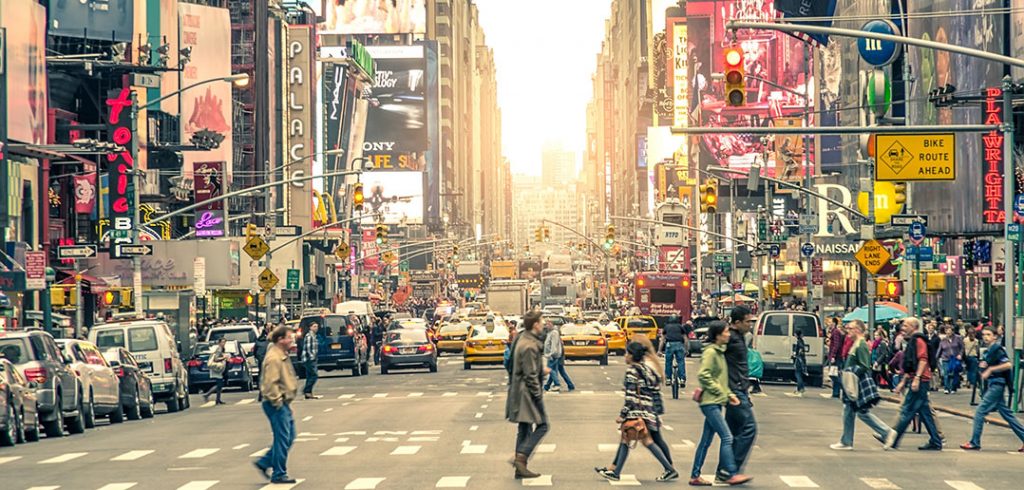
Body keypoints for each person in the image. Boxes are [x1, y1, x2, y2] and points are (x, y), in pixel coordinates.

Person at [595, 336, 678, 483]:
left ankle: (669, 469)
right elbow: (654, 386)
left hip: (638, 412)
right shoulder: (647, 369)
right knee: (630, 439)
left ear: (632, 356)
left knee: (643, 441)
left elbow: (631, 397)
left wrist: (623, 414)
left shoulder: (632, 371)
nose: (625, 357)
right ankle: (615, 471)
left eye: (627, 354)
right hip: (649, 411)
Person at [690, 321, 752, 486]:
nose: (728, 334)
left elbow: (720, 380)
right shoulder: (711, 352)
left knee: (706, 441)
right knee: (727, 437)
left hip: (716, 401)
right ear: (718, 335)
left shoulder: (719, 352)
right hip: (710, 402)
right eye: (725, 332)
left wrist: (729, 395)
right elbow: (704, 375)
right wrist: (722, 393)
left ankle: (695, 475)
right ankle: (731, 473)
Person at [829, 320, 896, 451]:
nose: (848, 330)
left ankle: (884, 432)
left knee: (856, 411)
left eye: (851, 328)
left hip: (856, 383)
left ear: (858, 329)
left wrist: (851, 373)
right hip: (853, 382)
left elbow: (865, 365)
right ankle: (848, 440)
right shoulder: (857, 344)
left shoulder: (861, 345)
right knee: (854, 411)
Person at [960, 326, 1024, 451]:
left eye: (989, 334)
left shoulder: (997, 349)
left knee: (980, 411)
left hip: (996, 384)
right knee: (1007, 415)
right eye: (984, 334)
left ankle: (974, 442)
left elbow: (1007, 364)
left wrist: (990, 369)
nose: (985, 337)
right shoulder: (988, 351)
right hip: (994, 384)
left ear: (995, 336)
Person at [888, 317, 943, 450]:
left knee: (908, 409)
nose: (903, 328)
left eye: (906, 326)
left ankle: (893, 439)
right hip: (917, 379)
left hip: (920, 380)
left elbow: (923, 360)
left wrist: (917, 378)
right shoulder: (913, 341)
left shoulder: (918, 340)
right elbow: (911, 364)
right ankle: (936, 441)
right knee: (924, 411)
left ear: (914, 327)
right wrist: (903, 382)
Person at [505, 311, 549, 479]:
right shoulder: (530, 346)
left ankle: (520, 467)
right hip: (527, 392)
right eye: (541, 322)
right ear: (535, 324)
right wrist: (538, 395)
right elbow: (530, 375)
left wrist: (540, 370)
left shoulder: (520, 339)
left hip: (518, 389)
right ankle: (521, 457)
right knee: (543, 425)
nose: (543, 324)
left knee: (524, 428)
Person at [716, 306, 757, 484]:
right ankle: (731, 469)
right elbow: (714, 355)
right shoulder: (731, 337)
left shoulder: (738, 337)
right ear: (737, 322)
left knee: (734, 432)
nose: (750, 324)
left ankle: (724, 470)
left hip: (738, 389)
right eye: (748, 321)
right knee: (749, 428)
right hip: (735, 390)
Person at [255, 326, 299, 484]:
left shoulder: (280, 354)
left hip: (282, 403)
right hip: (276, 404)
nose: (291, 340)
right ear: (280, 340)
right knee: (283, 439)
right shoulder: (274, 358)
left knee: (289, 436)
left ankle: (265, 462)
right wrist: (278, 402)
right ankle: (279, 473)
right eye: (289, 337)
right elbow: (270, 383)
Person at [543, 321, 575, 392]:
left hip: (554, 355)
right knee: (560, 371)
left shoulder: (554, 333)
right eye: (546, 325)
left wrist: (551, 354)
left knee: (551, 370)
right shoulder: (550, 333)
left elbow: (554, 346)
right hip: (557, 355)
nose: (546, 326)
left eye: (548, 324)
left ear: (552, 325)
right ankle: (570, 385)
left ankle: (557, 384)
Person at [661, 315, 688, 389]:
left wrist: (659, 350)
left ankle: (668, 379)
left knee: (668, 362)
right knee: (681, 362)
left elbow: (662, 339)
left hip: (669, 344)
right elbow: (685, 339)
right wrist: (686, 349)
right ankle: (682, 379)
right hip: (679, 344)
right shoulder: (680, 327)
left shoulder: (666, 327)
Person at [202, 338, 229, 405]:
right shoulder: (219, 349)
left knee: (220, 385)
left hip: (219, 369)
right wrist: (224, 357)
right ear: (219, 343)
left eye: (224, 342)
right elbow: (216, 359)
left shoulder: (221, 349)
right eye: (222, 342)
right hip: (217, 369)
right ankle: (207, 394)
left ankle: (218, 400)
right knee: (219, 384)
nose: (223, 344)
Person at [938, 325, 964, 394]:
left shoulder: (958, 338)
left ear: (952, 331)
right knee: (946, 373)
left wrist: (960, 355)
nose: (948, 332)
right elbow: (940, 349)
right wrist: (936, 357)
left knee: (954, 373)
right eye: (946, 331)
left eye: (949, 331)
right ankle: (946, 388)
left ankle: (953, 388)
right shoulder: (943, 340)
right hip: (945, 358)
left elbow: (962, 347)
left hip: (955, 358)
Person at [300, 322, 321, 399]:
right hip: (309, 359)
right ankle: (306, 390)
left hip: (312, 358)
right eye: (314, 326)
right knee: (314, 375)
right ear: (310, 327)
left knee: (309, 376)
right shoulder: (309, 336)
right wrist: (312, 357)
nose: (316, 328)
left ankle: (308, 393)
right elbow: (308, 348)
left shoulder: (314, 336)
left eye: (317, 326)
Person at [827, 320, 846, 398]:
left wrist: (833, 356)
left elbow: (836, 344)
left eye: (830, 322)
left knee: (835, 375)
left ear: (834, 323)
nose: (829, 324)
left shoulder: (836, 332)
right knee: (834, 374)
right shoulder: (835, 332)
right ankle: (835, 392)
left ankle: (841, 390)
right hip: (836, 356)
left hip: (836, 356)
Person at [790, 328, 808, 396]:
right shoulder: (801, 340)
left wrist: (796, 354)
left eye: (795, 333)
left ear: (797, 334)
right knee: (799, 374)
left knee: (798, 374)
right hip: (801, 359)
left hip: (799, 360)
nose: (794, 335)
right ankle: (799, 388)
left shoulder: (799, 341)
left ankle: (800, 388)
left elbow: (801, 348)